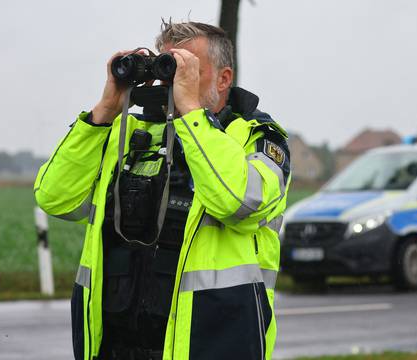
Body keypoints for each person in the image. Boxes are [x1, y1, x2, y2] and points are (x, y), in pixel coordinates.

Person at [34, 21, 290, 360]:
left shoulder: (256, 140)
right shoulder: (127, 134)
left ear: (224, 79)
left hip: (210, 345)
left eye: (187, 69)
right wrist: (105, 111)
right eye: (167, 66)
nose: (172, 81)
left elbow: (236, 201)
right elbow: (54, 197)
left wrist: (191, 116)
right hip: (112, 347)